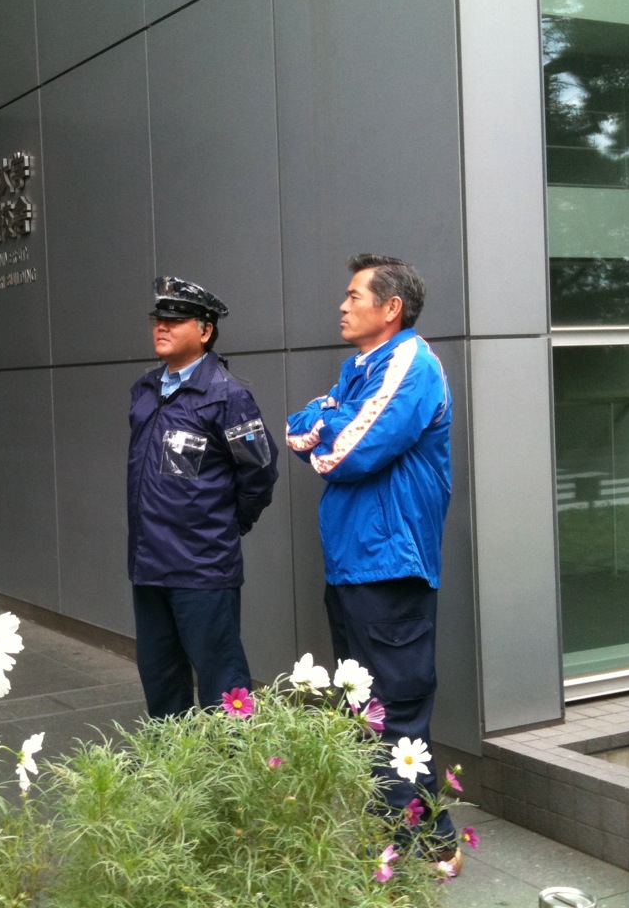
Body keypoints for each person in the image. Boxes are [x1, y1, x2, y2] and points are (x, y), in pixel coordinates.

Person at [285, 253, 459, 873]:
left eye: (354, 295)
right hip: (353, 563)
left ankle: (415, 845)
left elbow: (348, 454)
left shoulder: (411, 365)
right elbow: (299, 427)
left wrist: (328, 426)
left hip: (391, 565)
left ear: (391, 308)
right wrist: (329, 422)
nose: (342, 305)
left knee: (396, 707)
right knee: (367, 707)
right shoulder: (360, 369)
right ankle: (413, 838)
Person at [127, 276, 278, 717]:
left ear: (206, 330)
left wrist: (228, 525)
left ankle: (235, 760)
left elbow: (260, 472)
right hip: (149, 564)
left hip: (202, 568)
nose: (162, 326)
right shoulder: (145, 390)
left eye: (175, 320)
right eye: (158, 318)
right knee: (161, 681)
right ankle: (171, 761)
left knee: (222, 684)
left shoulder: (228, 397)